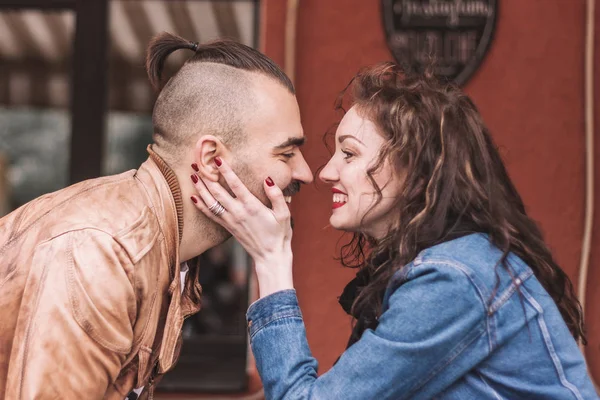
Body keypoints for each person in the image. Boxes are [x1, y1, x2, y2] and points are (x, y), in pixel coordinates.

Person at [190, 62, 599, 399]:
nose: (326, 172)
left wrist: (271, 258)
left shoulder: (453, 280)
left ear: (416, 172)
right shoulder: (443, 267)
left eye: (349, 154)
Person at [0, 32, 312, 399]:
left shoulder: (169, 252)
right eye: (287, 153)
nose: (306, 173)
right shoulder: (99, 251)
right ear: (213, 160)